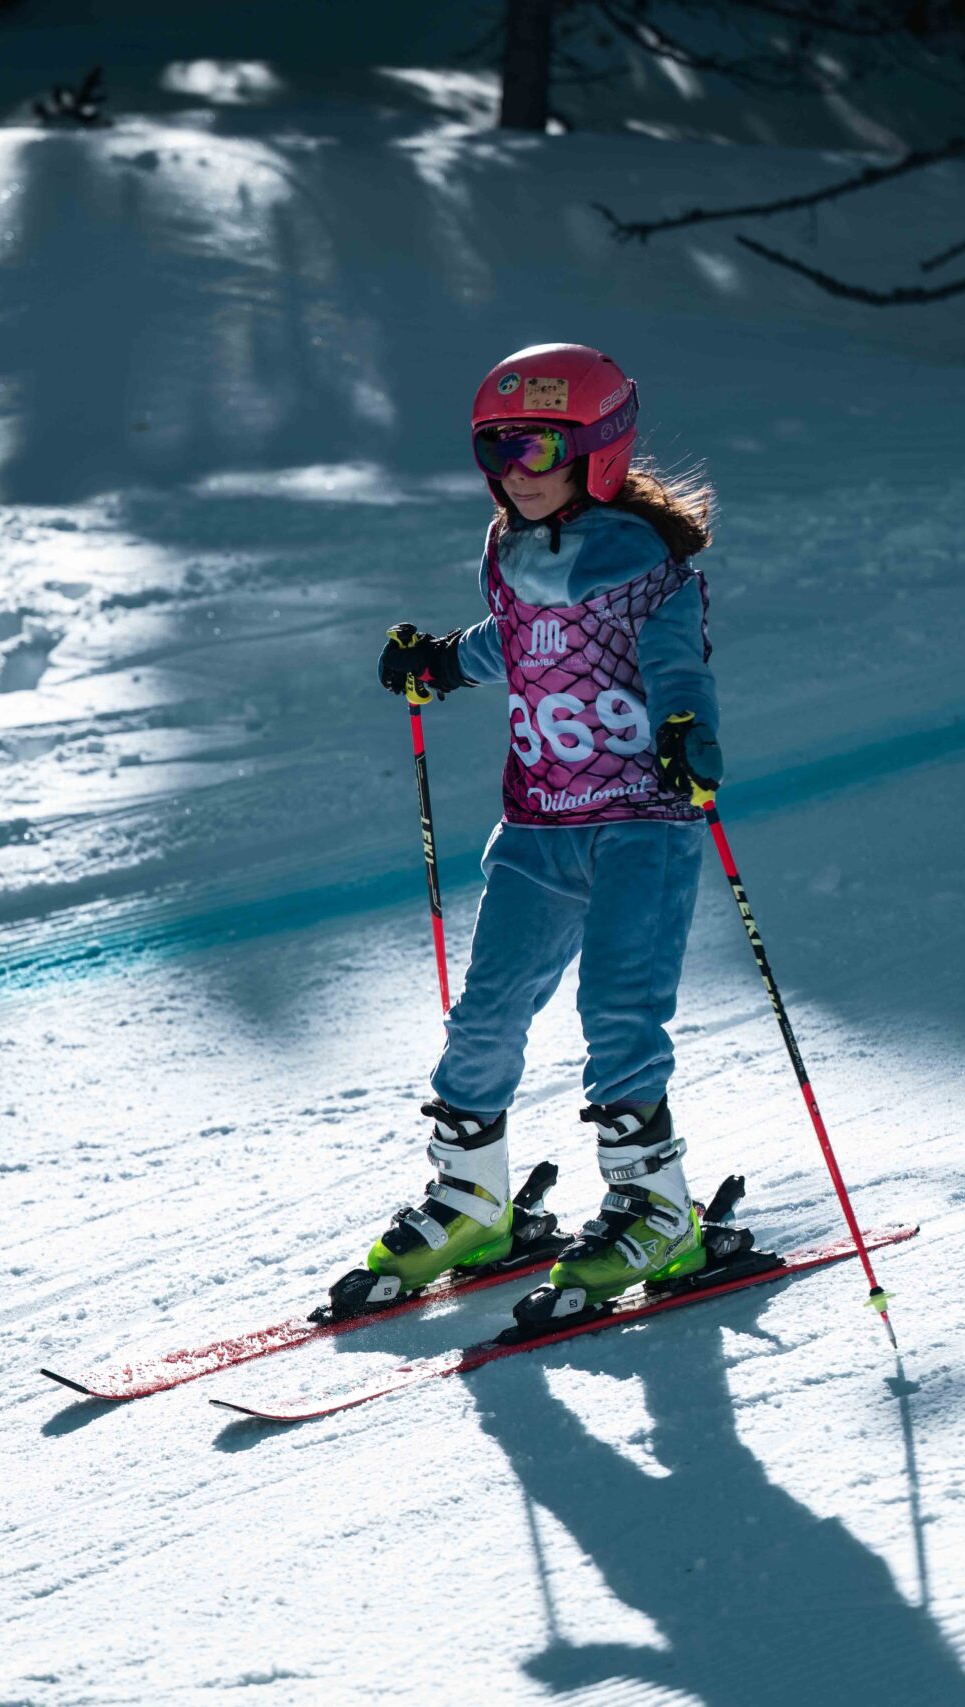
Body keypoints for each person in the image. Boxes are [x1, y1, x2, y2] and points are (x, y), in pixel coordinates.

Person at [368, 342, 723, 1316]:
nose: (514, 472)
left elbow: (676, 664)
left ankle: (658, 1208)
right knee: (487, 1010)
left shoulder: (649, 568)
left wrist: (686, 728)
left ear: (598, 452)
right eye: (497, 449)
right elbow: (522, 642)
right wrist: (446, 662)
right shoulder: (509, 552)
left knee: (618, 1007)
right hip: (538, 822)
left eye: (536, 449)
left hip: (641, 820)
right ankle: (471, 1197)